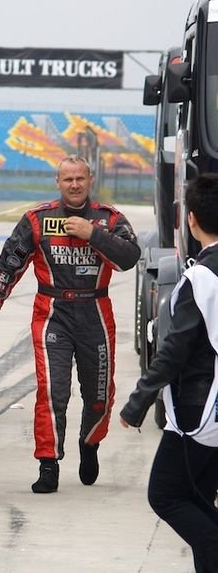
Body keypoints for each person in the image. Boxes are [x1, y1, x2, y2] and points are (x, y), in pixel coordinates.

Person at [0, 154, 140, 493]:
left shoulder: (109, 219)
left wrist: (92, 234)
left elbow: (130, 257)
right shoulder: (38, 219)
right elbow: (8, 264)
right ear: (58, 182)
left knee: (99, 395)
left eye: (80, 178)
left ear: (90, 180)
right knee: (52, 391)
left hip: (95, 310)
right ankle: (48, 464)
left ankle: (90, 443)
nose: (75, 184)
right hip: (51, 312)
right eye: (68, 179)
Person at [119, 173, 218, 573]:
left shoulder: (201, 277)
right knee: (197, 499)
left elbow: (174, 350)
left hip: (200, 409)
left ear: (190, 220)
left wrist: (138, 401)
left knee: (166, 495)